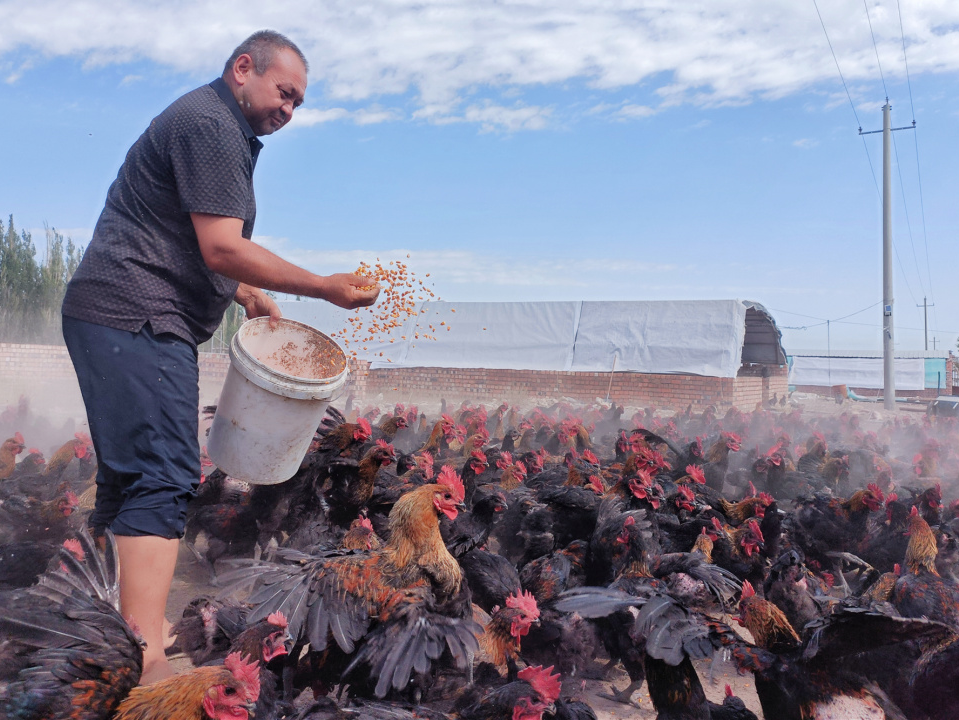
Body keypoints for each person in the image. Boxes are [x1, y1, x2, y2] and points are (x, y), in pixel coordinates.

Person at [61, 30, 380, 684]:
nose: (289, 109)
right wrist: (321, 285)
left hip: (115, 308)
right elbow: (220, 246)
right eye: (282, 92)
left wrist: (243, 294)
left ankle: (100, 629)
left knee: (132, 477)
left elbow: (173, 236)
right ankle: (144, 654)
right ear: (243, 68)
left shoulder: (206, 123)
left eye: (298, 102)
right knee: (165, 471)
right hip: (139, 315)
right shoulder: (213, 126)